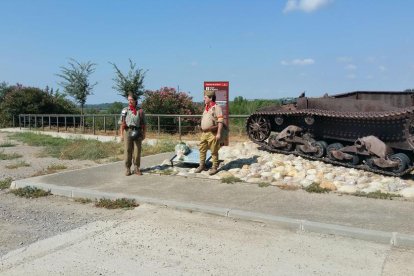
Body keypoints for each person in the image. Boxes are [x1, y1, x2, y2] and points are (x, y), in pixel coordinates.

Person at [195, 90, 224, 175]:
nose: (204, 99)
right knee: (202, 149)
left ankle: (214, 167)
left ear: (210, 98)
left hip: (212, 133)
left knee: (214, 150)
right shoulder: (206, 107)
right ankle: (202, 165)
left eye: (205, 97)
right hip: (204, 133)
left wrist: (218, 133)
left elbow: (220, 121)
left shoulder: (216, 107)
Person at [119, 93, 146, 176]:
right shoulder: (125, 110)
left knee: (137, 150)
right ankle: (128, 168)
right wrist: (121, 134)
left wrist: (144, 134)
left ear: (135, 100)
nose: (129, 101)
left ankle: (137, 168)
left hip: (137, 131)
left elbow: (144, 124)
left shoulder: (140, 111)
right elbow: (122, 123)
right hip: (127, 131)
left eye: (131, 99)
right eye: (128, 100)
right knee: (127, 150)